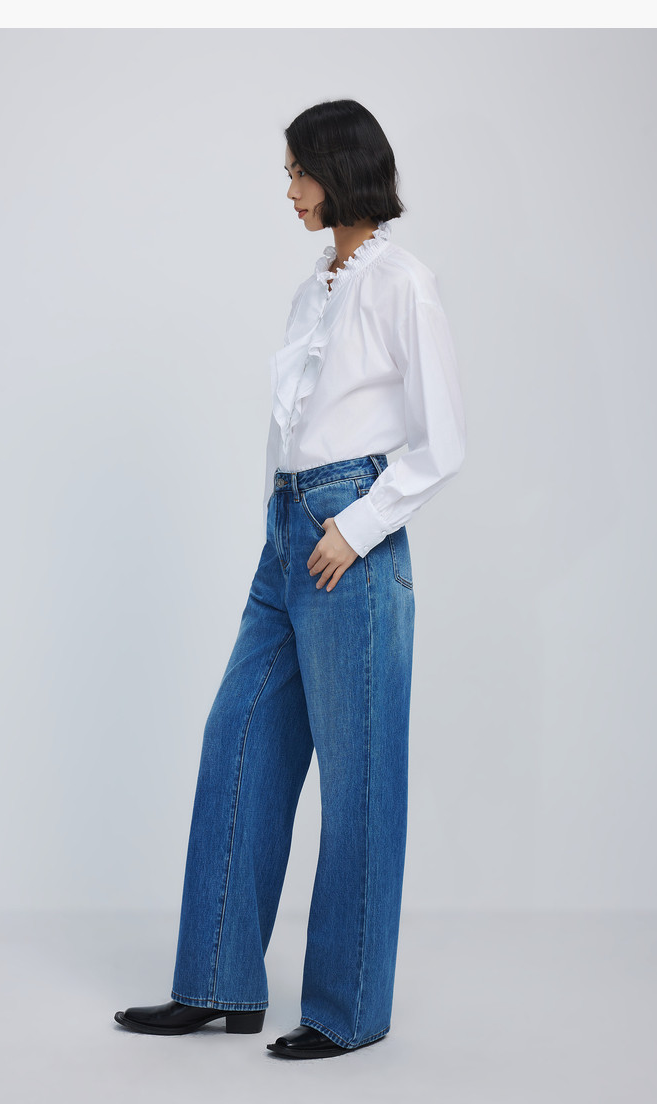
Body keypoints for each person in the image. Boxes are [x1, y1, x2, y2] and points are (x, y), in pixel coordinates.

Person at [114, 98, 466, 1060]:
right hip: (288, 532)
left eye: (299, 173)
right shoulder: (317, 286)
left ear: (340, 171)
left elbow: (442, 443)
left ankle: (348, 1011)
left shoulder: (403, 283)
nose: (290, 191)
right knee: (238, 738)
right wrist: (285, 521)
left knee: (359, 778)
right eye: (288, 174)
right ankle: (217, 982)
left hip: (350, 535)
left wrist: (355, 527)